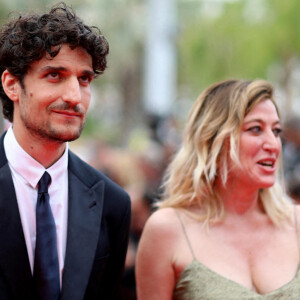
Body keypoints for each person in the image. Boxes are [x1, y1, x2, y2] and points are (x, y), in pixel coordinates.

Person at [0, 2, 131, 300]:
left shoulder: (112, 204)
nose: (75, 97)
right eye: (55, 75)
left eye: (84, 79)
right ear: (11, 85)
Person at [136, 79, 300, 299]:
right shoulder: (168, 230)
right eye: (255, 129)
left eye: (276, 131)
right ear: (215, 139)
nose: (273, 144)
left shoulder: (296, 224)